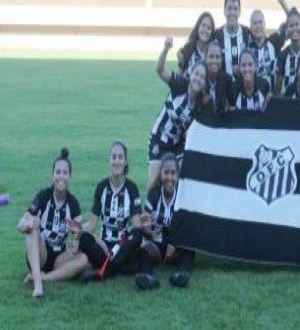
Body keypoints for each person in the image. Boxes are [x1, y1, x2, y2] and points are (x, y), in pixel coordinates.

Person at [18, 148, 87, 298]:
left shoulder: (73, 204)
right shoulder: (43, 197)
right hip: (40, 255)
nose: (61, 176)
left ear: (70, 176)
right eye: (58, 172)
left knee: (83, 259)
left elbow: (74, 244)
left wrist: (75, 237)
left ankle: (44, 278)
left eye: (64, 173)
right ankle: (38, 285)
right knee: (31, 233)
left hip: (58, 258)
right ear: (52, 175)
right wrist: (30, 225)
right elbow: (21, 225)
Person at [147, 37, 209, 190]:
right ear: (191, 74)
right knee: (153, 186)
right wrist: (166, 49)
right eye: (197, 74)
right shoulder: (179, 84)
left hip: (176, 146)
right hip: (159, 140)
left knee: (178, 184)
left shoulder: (200, 105)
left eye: (202, 77)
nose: (198, 79)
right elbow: (159, 70)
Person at [78, 141, 144, 281]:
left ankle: (104, 272)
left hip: (123, 245)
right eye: (114, 157)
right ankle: (120, 267)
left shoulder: (132, 189)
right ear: (109, 160)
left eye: (120, 157)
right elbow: (92, 225)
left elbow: (136, 225)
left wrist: (143, 226)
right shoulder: (101, 187)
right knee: (83, 238)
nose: (117, 161)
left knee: (137, 234)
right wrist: (76, 228)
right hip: (104, 247)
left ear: (125, 162)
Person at [135, 153, 196, 290]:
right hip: (157, 244)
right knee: (144, 251)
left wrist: (174, 243)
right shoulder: (154, 195)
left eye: (173, 173)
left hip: (174, 247)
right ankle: (147, 277)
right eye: (166, 173)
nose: (169, 177)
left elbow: (185, 227)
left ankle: (180, 275)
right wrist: (147, 231)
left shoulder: (182, 196)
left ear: (178, 175)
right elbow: (146, 228)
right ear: (161, 175)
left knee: (190, 249)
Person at [213, 0, 251, 80]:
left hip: (243, 88)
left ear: (239, 12)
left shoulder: (247, 33)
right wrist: (185, 51)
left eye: (235, 9)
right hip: (223, 90)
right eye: (229, 8)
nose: (232, 13)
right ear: (224, 10)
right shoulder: (216, 35)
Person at [247, 9, 286, 91]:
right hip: (254, 99)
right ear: (250, 27)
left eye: (260, 22)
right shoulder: (247, 49)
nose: (258, 26)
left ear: (264, 24)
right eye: (255, 23)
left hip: (271, 99)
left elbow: (291, 23)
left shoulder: (274, 42)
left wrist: (283, 5)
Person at [177, 11, 215, 78]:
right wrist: (180, 64)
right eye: (203, 25)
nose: (205, 30)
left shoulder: (213, 54)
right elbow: (179, 78)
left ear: (212, 32)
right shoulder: (187, 50)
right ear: (198, 27)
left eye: (209, 28)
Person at [204, 40, 235, 116]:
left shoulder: (228, 80)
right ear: (205, 59)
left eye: (218, 57)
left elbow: (232, 105)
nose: (214, 60)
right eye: (211, 56)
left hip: (221, 123)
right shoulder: (200, 79)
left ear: (221, 60)